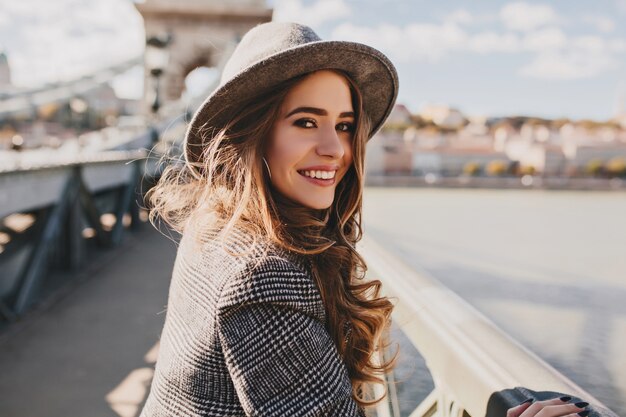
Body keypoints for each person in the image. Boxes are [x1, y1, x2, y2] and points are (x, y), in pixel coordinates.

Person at [140, 22, 591, 417]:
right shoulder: (264, 278)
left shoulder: (214, 224)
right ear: (249, 132)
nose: (336, 149)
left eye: (343, 125)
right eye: (305, 122)